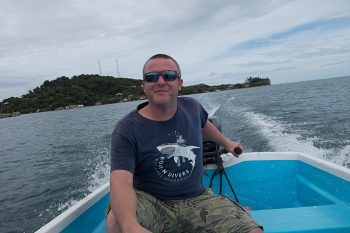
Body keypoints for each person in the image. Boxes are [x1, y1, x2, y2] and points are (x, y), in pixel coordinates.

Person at [106, 54, 263, 233]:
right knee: (115, 224)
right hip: (152, 202)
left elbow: (204, 125)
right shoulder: (126, 128)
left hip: (197, 199)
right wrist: (131, 227)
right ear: (144, 86)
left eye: (168, 75)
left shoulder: (192, 107)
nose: (160, 81)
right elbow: (121, 179)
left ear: (179, 83)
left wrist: (227, 144)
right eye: (151, 77)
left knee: (253, 231)